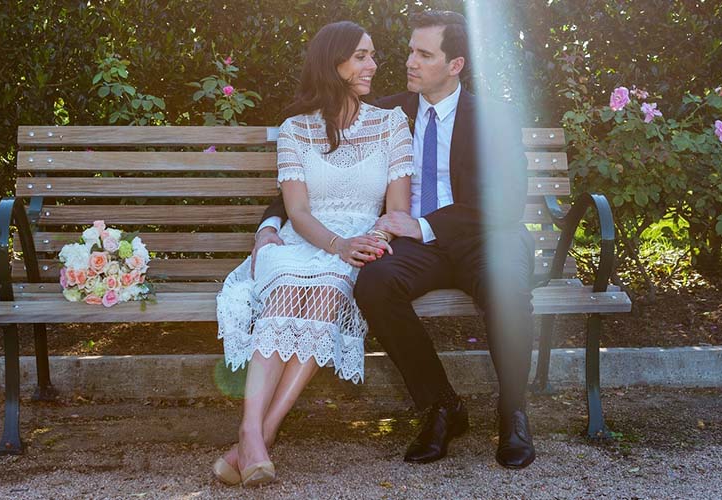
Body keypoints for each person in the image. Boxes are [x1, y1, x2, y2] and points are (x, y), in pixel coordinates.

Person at [255, 11, 536, 469]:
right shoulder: (385, 113)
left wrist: (425, 226)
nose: (409, 62)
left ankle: (513, 413)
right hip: (413, 246)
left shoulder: (494, 118)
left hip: (485, 239)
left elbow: (506, 204)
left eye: (424, 54)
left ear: (455, 65)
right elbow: (309, 180)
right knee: (374, 284)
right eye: (410, 50)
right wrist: (269, 225)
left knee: (506, 288)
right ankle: (442, 406)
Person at [215, 21, 415, 486]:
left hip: (360, 241)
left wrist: (366, 243)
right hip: (303, 238)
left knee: (328, 292)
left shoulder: (391, 124)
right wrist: (336, 244)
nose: (373, 64)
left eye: (373, 55)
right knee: (286, 291)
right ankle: (253, 433)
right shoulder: (295, 130)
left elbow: (398, 210)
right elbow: (298, 210)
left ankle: (255, 438)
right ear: (334, 63)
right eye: (362, 56)